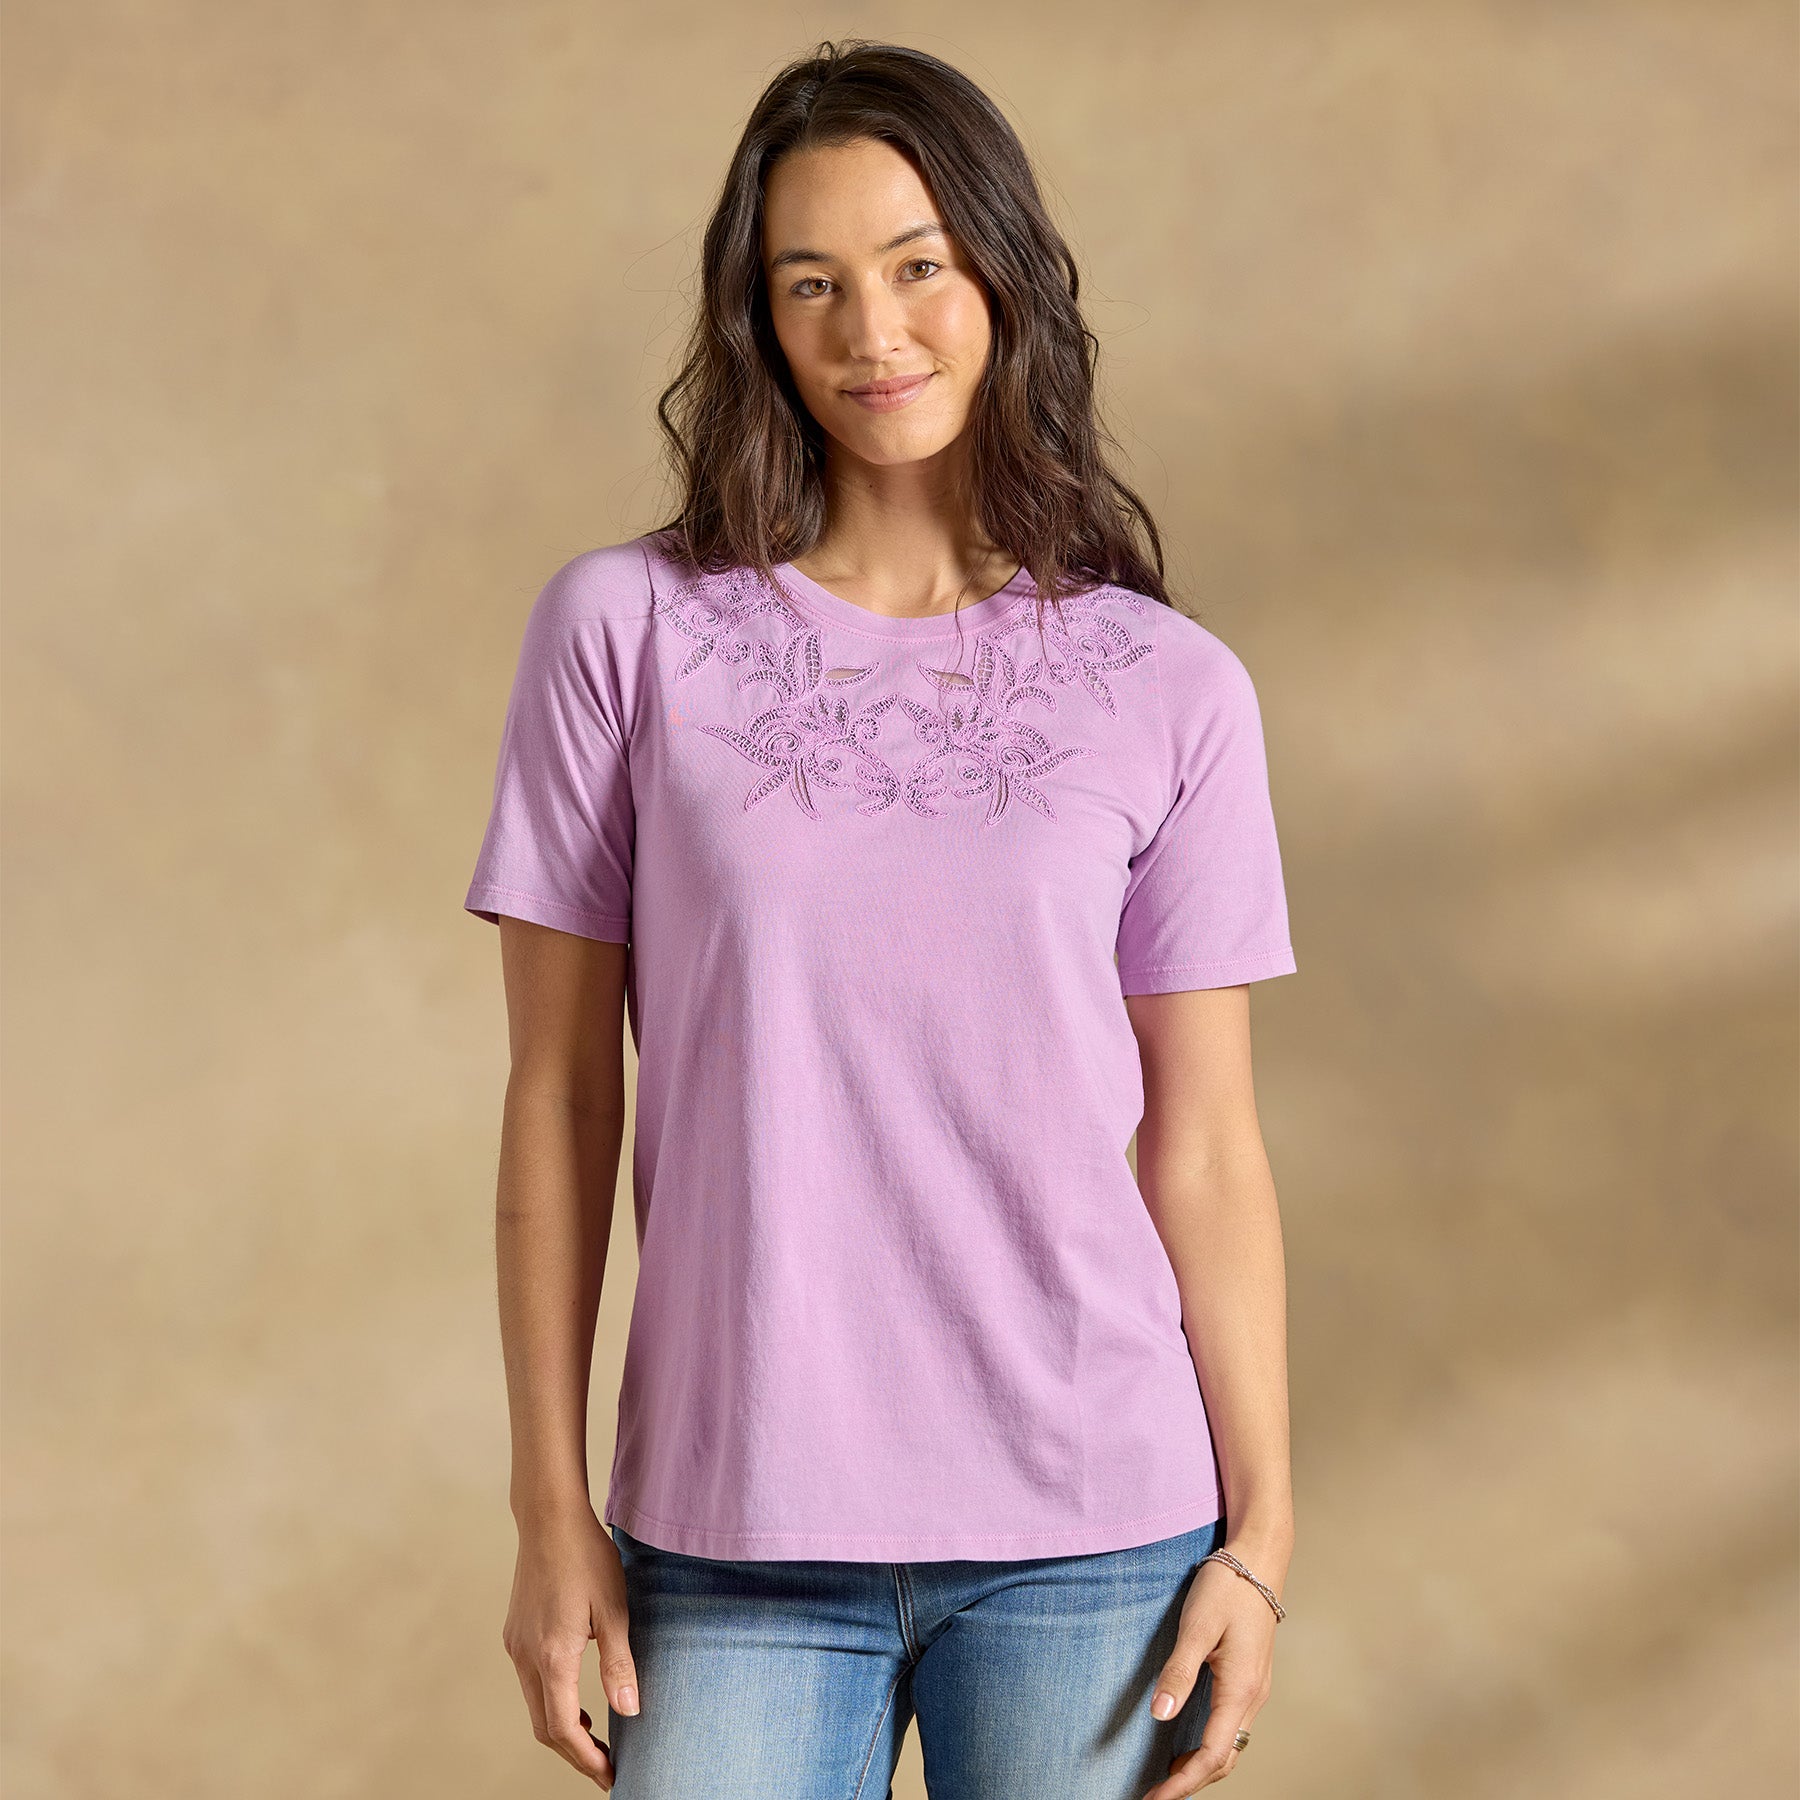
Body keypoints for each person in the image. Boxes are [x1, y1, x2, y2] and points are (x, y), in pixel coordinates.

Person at [464, 38, 1297, 1800]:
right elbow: (561, 1097)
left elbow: (1207, 1144)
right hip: (732, 1528)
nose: (873, 332)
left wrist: (1262, 1539)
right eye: (811, 284)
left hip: (1099, 1531)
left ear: (1000, 273)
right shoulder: (625, 634)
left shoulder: (1172, 687)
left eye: (918, 265)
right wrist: (549, 1511)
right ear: (758, 320)